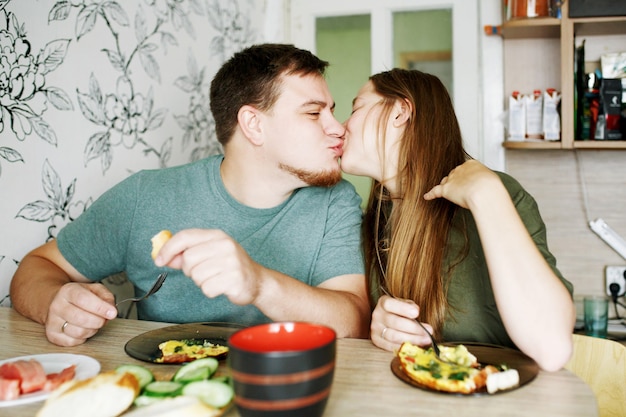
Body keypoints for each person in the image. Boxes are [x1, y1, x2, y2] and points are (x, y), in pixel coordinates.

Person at [10, 43, 371, 347]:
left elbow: (352, 322)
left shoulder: (334, 200)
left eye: (333, 111)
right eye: (314, 113)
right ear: (253, 125)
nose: (338, 129)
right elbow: (38, 267)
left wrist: (259, 283)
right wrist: (55, 303)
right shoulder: (145, 196)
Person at [340, 68, 575, 372]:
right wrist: (382, 328)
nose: (341, 127)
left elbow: (552, 348)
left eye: (356, 108)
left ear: (400, 112)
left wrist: (488, 196)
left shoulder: (500, 195)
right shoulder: (373, 219)